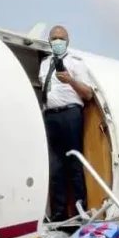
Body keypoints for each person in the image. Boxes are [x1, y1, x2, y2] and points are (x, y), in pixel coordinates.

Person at [39, 25, 94, 222]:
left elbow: (88, 94)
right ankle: (58, 213)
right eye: (54, 38)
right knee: (55, 167)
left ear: (67, 41)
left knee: (73, 163)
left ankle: (80, 209)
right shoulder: (45, 63)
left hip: (70, 113)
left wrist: (70, 80)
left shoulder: (76, 63)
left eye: (61, 38)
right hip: (50, 116)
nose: (57, 42)